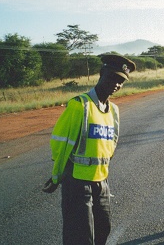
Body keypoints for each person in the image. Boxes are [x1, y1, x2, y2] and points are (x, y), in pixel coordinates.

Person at [42, 53, 136, 245]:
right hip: (77, 182)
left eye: (121, 81)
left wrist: (104, 179)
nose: (116, 84)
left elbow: (110, 145)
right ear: (101, 73)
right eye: (112, 77)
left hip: (101, 181)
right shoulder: (79, 105)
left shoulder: (114, 110)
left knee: (103, 229)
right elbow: (60, 145)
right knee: (80, 237)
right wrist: (56, 176)